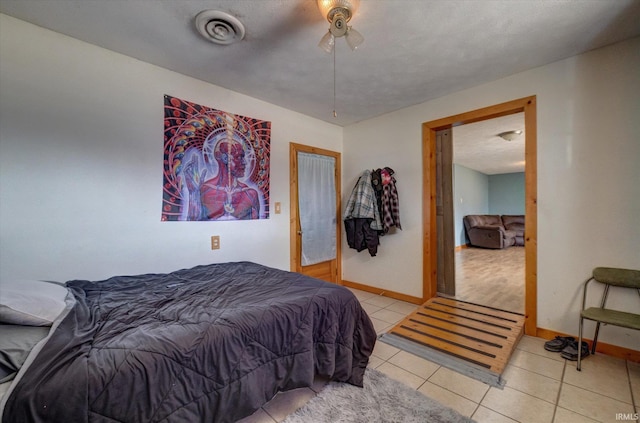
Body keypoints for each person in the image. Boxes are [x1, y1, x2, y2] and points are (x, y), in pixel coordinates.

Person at [184, 138, 260, 220]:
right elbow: (193, 226)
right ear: (225, 158)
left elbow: (256, 227)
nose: (245, 162)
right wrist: (193, 195)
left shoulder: (250, 194)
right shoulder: (204, 191)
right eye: (239, 157)